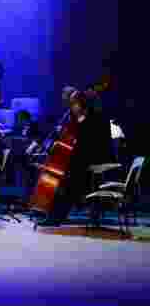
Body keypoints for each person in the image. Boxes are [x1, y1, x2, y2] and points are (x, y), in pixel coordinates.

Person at [40, 91, 114, 226]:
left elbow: (88, 143)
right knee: (66, 178)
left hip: (96, 159)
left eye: (74, 104)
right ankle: (55, 213)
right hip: (85, 157)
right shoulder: (84, 117)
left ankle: (56, 216)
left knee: (68, 181)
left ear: (82, 104)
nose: (71, 107)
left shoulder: (95, 118)